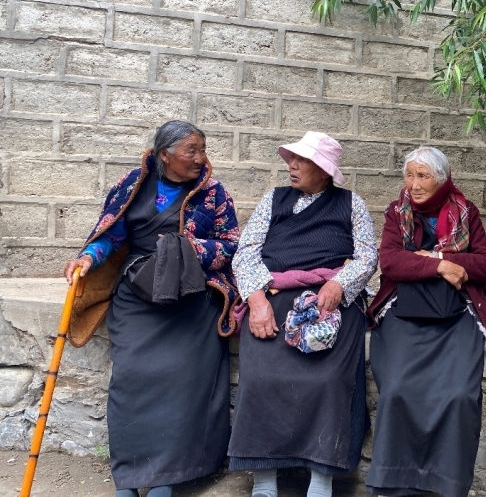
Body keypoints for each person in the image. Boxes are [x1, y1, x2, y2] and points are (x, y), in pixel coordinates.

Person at [63, 120, 241, 497]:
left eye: (202, 149)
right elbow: (111, 233)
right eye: (191, 150)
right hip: (138, 291)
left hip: (191, 296)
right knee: (130, 379)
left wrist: (189, 249)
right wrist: (88, 257)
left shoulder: (212, 193)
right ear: (165, 155)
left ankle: (166, 478)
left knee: (182, 381)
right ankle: (129, 478)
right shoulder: (132, 183)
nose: (201, 158)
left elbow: (231, 245)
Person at [227, 131, 377, 497]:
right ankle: (264, 481)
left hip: (329, 304)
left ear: (324, 171)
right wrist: (257, 300)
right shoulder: (274, 199)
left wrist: (339, 285)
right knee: (260, 378)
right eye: (292, 158)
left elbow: (367, 256)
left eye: (303, 160)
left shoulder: (351, 204)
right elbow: (246, 252)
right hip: (274, 299)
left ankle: (321, 481)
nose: (292, 165)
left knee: (329, 381)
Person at [366, 146, 486, 497]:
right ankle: (394, 484)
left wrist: (442, 257)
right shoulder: (396, 212)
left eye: (423, 176)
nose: (414, 184)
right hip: (403, 313)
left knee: (458, 396)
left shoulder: (466, 211)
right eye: (409, 175)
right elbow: (390, 261)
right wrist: (440, 266)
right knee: (396, 391)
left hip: (455, 315)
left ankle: (445, 486)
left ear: (441, 179)